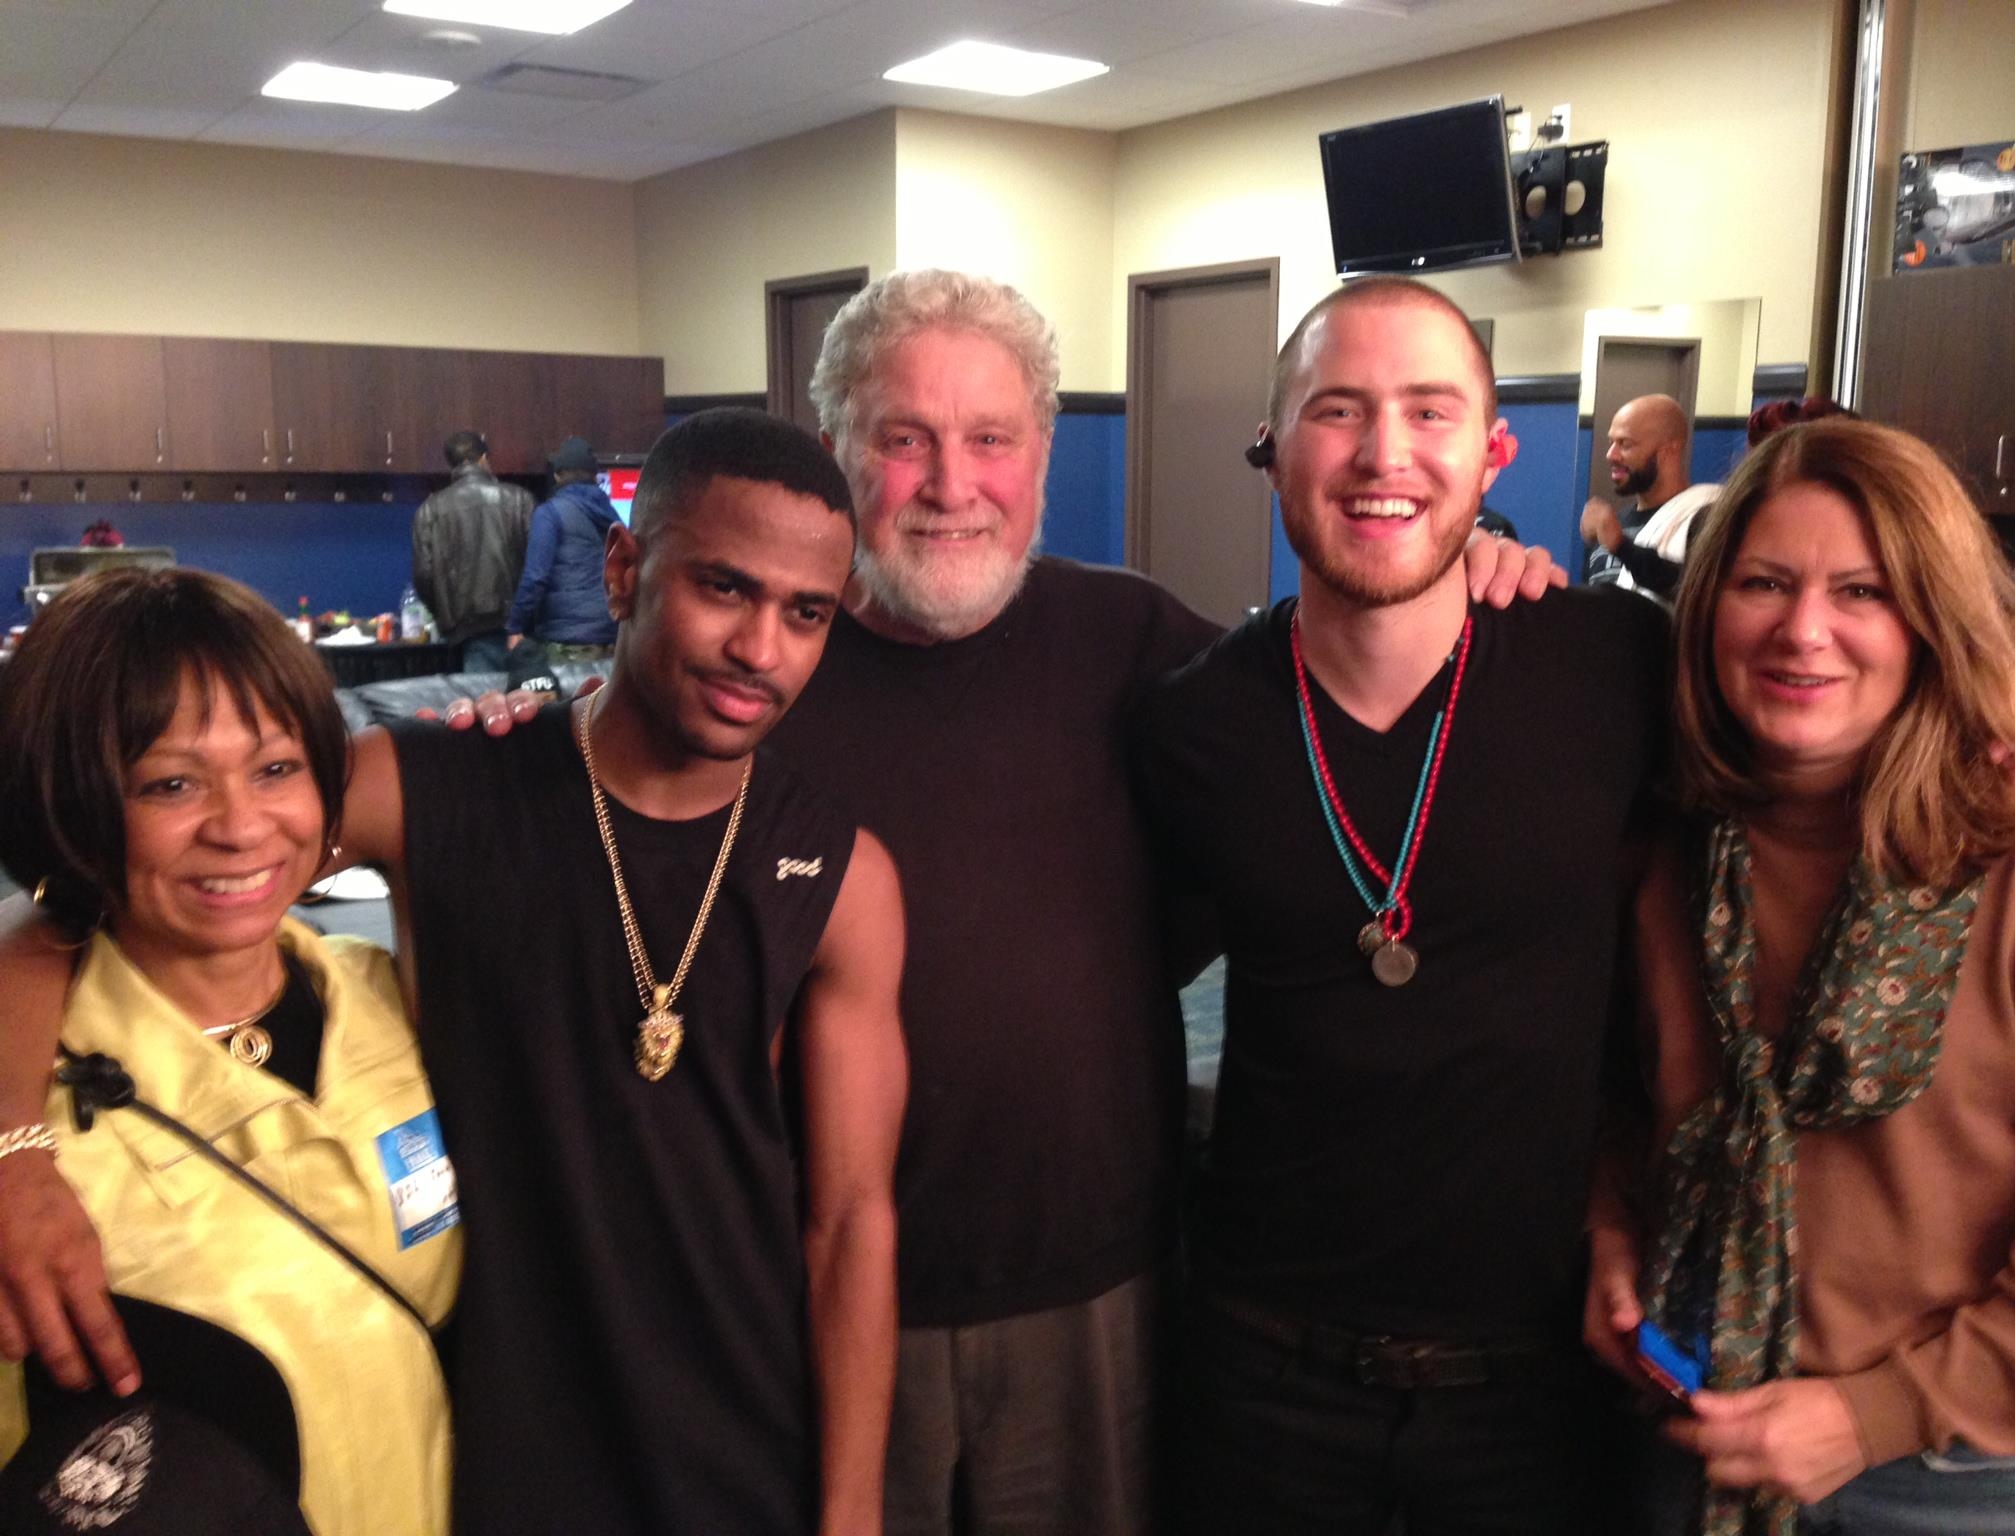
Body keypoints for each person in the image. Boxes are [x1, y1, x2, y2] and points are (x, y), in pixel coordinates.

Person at [390, 270, 1556, 1536]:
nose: (953, 483)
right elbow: (590, 779)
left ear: (1041, 459)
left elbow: (1360, 672)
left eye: (991, 440)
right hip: (791, 1300)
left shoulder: (1148, 649)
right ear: (840, 454)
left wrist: (1468, 558)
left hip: (1091, 1302)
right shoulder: (746, 676)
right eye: (904, 440)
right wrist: (536, 723)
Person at [0, 408, 910, 1536]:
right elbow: (89, 899)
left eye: (804, 613)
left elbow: (853, 1222)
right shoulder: (427, 789)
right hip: (491, 1455)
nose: (760, 648)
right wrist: (13, 1147)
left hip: (743, 1445)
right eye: (723, 588)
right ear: (624, 569)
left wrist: (853, 1503)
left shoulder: (842, 875)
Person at [1136, 276, 1669, 1534]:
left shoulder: (1612, 668)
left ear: (1492, 454)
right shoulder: (1190, 725)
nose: (1383, 454)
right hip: (1259, 1380)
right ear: (1271, 449)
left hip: (1540, 1387)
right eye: (1337, 410)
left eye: (1429, 413)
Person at [1584, 417, 2015, 1535]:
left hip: (1950, 1471)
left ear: (1930, 620)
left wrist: (1876, 1412)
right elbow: (1617, 1108)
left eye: (1860, 593)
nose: (1802, 632)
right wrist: (1605, 1236)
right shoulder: (1665, 842)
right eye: (1763, 583)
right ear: (1706, 612)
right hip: (1684, 1433)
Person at [0, 567, 461, 1534]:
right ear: (77, 804)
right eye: (170, 784)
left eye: (278, 768)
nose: (242, 826)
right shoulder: (27, 1121)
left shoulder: (391, 1002)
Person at [410, 429, 535, 673]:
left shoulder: (429, 510)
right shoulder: (520, 499)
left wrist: (447, 615)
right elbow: (538, 566)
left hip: (466, 634)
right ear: (483, 459)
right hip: (520, 630)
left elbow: (423, 576)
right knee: (528, 707)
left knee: (484, 706)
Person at [1581, 394, 1720, 604]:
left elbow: (1696, 593)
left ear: (1669, 450)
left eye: (1625, 444)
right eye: (1611, 442)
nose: (1611, 454)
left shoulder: (1705, 516)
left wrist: (1621, 547)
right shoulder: (1610, 525)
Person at [504, 434, 622, 662]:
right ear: (595, 477)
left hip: (569, 639)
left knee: (575, 698)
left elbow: (536, 577)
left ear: (557, 476)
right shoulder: (612, 514)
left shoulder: (550, 514)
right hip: (613, 634)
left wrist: (515, 626)